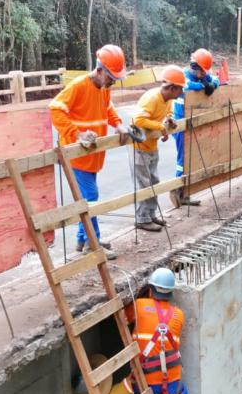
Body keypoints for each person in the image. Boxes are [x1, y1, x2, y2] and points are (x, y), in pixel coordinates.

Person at [49, 44, 131, 258]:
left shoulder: (104, 88)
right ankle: (92, 243)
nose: (113, 81)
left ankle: (82, 238)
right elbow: (56, 109)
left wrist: (119, 124)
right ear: (100, 70)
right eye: (111, 76)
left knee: (86, 197)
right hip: (77, 153)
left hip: (93, 154)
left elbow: (107, 108)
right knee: (90, 197)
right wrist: (77, 134)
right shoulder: (78, 86)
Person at [131, 66, 184, 232]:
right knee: (143, 184)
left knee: (153, 181)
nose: (181, 93)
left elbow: (167, 115)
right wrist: (160, 127)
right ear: (172, 87)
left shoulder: (167, 100)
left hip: (152, 145)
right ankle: (142, 218)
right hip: (139, 146)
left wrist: (169, 121)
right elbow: (137, 119)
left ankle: (151, 214)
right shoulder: (152, 98)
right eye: (180, 89)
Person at [171, 48, 219, 208]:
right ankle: (178, 191)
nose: (204, 75)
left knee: (191, 158)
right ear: (195, 67)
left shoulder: (203, 76)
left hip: (192, 123)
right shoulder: (183, 77)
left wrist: (211, 83)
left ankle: (186, 193)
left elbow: (217, 80)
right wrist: (201, 85)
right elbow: (185, 85)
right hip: (180, 124)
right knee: (183, 159)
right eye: (202, 72)